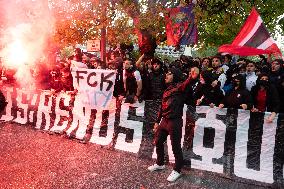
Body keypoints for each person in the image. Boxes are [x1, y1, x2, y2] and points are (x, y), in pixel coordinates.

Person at [147, 67, 198, 182]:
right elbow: (162, 107)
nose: (166, 75)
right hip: (164, 121)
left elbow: (187, 82)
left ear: (175, 75)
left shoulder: (180, 87)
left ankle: (177, 170)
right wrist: (156, 121)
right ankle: (160, 163)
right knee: (158, 141)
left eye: (169, 74)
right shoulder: (167, 90)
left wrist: (192, 77)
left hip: (175, 121)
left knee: (175, 147)